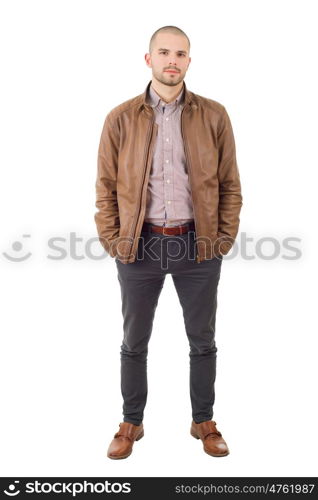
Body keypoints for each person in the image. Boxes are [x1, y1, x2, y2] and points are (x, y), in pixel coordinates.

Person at [95, 25, 243, 460]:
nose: (172, 60)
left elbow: (230, 183)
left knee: (203, 339)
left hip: (198, 246)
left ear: (189, 62)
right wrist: (113, 239)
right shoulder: (120, 118)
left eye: (180, 53)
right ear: (149, 60)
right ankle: (131, 423)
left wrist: (222, 239)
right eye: (164, 52)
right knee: (134, 341)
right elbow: (104, 188)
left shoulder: (214, 115)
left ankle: (203, 420)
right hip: (138, 247)